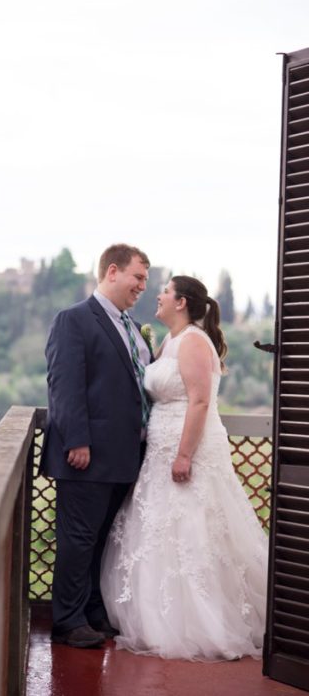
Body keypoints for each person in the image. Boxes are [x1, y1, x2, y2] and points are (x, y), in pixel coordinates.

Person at [100, 276, 267, 660]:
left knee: (194, 528)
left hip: (185, 446)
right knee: (163, 529)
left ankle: (201, 622)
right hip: (159, 447)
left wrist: (185, 455)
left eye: (164, 291)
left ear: (181, 303)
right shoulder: (169, 341)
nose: (157, 296)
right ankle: (160, 614)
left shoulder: (192, 341)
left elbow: (200, 403)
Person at [41, 243, 152, 648]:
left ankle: (90, 610)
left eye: (145, 280)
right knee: (79, 538)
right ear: (111, 272)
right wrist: (77, 441)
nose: (142, 286)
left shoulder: (133, 327)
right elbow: (65, 384)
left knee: (102, 538)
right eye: (137, 277)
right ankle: (67, 621)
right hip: (86, 454)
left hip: (125, 455)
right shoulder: (74, 319)